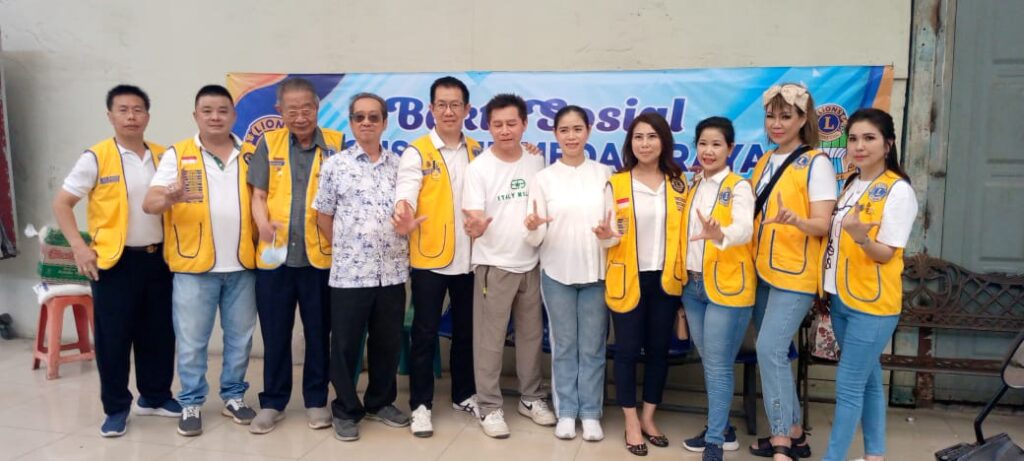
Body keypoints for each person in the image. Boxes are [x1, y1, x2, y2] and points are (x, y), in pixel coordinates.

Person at [51, 84, 179, 437]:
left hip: (158, 259)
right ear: (110, 116)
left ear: (148, 116)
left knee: (159, 333)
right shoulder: (96, 157)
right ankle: (117, 407)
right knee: (114, 339)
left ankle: (155, 396)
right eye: (123, 110)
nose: (131, 117)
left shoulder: (163, 155)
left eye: (138, 110)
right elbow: (62, 203)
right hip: (113, 262)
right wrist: (79, 246)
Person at [142, 84, 258, 436]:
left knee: (240, 338)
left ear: (233, 115)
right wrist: (170, 196)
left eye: (222, 110)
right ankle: (191, 402)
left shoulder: (252, 154)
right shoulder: (177, 154)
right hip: (194, 267)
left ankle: (233, 396)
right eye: (207, 111)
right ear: (196, 116)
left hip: (243, 264)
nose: (215, 117)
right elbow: (150, 204)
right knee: (193, 342)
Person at [246, 77, 344, 434]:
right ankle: (273, 402)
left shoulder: (336, 144)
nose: (300, 117)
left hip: (320, 259)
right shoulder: (268, 143)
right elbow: (258, 195)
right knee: (275, 334)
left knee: (318, 334)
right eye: (292, 110)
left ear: (317, 108)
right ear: (280, 111)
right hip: (275, 260)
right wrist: (263, 224)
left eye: (307, 109)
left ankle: (317, 400)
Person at [313, 92, 410, 442]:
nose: (366, 122)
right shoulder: (335, 165)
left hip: (392, 273)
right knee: (345, 346)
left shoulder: (401, 166)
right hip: (350, 274)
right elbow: (323, 216)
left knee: (387, 343)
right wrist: (348, 246)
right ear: (351, 123)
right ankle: (345, 409)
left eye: (373, 117)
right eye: (359, 117)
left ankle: (380, 402)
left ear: (384, 122)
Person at [820, 108, 916, 461]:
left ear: (888, 144)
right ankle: (875, 455)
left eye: (869, 138)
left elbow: (885, 254)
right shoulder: (851, 184)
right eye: (854, 139)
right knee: (871, 380)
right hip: (841, 299)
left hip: (872, 306)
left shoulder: (898, 191)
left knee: (848, 388)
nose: (859, 146)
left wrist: (861, 238)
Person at [749, 83, 837, 461]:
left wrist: (797, 220)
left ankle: (781, 437)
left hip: (796, 274)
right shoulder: (763, 161)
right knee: (773, 354)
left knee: (769, 349)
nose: (777, 123)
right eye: (771, 116)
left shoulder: (817, 163)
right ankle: (795, 430)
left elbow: (823, 223)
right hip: (761, 271)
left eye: (786, 116)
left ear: (803, 119)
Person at [462, 93, 556, 439]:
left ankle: (531, 398)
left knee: (531, 337)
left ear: (524, 124)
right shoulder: (478, 168)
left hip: (531, 262)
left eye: (511, 123)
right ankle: (489, 406)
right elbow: (472, 216)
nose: (505, 130)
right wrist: (475, 227)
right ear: (488, 127)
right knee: (489, 341)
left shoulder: (535, 160)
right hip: (494, 265)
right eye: (498, 124)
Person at [392, 76, 482, 438]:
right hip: (430, 258)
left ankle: (464, 395)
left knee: (467, 333)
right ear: (431, 109)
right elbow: (406, 190)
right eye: (442, 104)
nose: (448, 111)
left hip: (471, 259)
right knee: (425, 334)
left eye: (455, 104)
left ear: (467, 109)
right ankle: (420, 405)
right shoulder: (417, 152)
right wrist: (403, 212)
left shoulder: (478, 151)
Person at [596, 112, 686, 456]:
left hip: (666, 279)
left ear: (663, 141)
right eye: (638, 137)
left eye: (651, 136)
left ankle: (649, 417)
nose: (644, 144)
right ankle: (631, 421)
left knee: (659, 351)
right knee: (627, 351)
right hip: (628, 279)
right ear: (629, 143)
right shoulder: (617, 183)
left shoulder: (678, 182)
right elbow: (608, 237)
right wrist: (605, 236)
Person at [524, 105, 611, 442]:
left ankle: (590, 413)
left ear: (588, 131)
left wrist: (608, 236)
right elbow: (534, 236)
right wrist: (532, 226)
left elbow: (615, 230)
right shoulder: (543, 178)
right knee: (564, 346)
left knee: (592, 347)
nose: (571, 136)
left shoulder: (605, 174)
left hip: (596, 274)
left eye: (577, 129)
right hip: (557, 273)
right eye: (564, 130)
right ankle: (566, 412)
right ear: (555, 134)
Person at [677, 117, 756, 461]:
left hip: (728, 288)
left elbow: (744, 229)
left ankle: (714, 443)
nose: (708, 151)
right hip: (693, 286)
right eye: (703, 144)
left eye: (716, 144)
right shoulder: (694, 185)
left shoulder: (739, 186)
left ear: (730, 149)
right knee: (711, 361)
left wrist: (720, 234)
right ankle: (722, 430)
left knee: (719, 365)